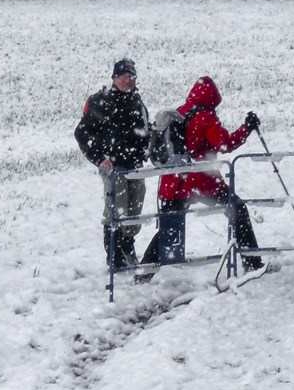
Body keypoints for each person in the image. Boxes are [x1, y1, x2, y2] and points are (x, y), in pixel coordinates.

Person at [155, 75, 266, 271]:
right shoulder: (206, 116)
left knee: (168, 230)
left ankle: (142, 275)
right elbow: (225, 144)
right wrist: (246, 128)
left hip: (173, 181)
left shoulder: (181, 111)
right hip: (200, 180)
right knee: (238, 210)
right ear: (213, 97)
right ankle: (252, 263)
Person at [75, 58, 151, 271]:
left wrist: (148, 147)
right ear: (114, 78)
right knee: (116, 211)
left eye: (131, 76)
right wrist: (99, 158)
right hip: (113, 167)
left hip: (134, 165)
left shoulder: (137, 101)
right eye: (122, 76)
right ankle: (115, 257)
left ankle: (128, 248)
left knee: (135, 208)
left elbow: (145, 131)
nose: (127, 80)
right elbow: (82, 133)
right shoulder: (101, 101)